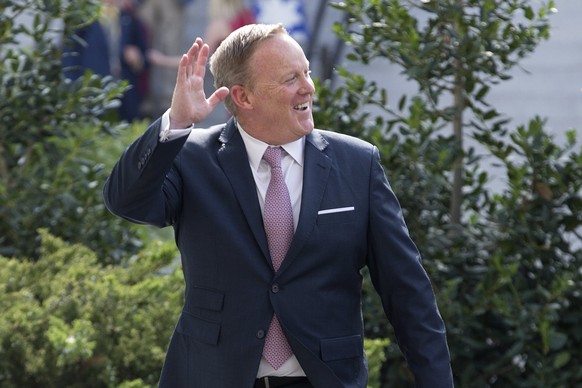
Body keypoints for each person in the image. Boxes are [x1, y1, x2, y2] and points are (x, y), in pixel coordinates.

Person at [103, 23, 453, 388]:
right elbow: (125, 202)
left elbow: (408, 296)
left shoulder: (358, 165)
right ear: (244, 97)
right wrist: (176, 123)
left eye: (307, 72)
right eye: (290, 79)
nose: (309, 87)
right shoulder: (191, 159)